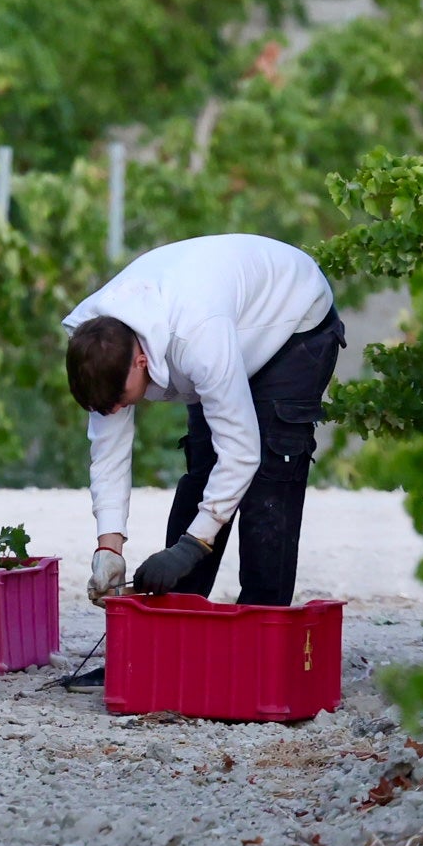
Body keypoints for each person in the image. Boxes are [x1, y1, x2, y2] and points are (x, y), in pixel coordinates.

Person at [62, 232, 343, 607]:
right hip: (227, 324)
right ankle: (178, 619)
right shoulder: (100, 347)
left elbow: (242, 454)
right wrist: (108, 546)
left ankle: (261, 628)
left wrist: (192, 546)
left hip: (292, 315)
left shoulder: (197, 339)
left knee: (270, 478)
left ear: (141, 361)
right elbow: (108, 453)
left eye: (119, 401)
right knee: (204, 466)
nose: (115, 410)